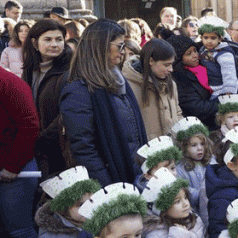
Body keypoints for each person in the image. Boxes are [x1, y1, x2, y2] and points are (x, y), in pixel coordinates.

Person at [61, 19, 148, 185]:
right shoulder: (78, 89)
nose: (123, 52)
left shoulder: (118, 78)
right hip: (111, 181)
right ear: (100, 46)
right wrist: (108, 186)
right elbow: (84, 147)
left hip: (132, 172)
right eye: (119, 46)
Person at [0, 61, 40, 238]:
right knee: (0, 229)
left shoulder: (8, 83)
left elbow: (29, 125)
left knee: (19, 229)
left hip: (16, 170)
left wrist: (13, 165)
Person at [21, 20, 73, 176]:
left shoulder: (70, 70)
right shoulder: (31, 69)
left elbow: (67, 112)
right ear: (35, 43)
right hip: (37, 149)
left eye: (59, 39)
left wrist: (40, 140)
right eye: (48, 39)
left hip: (61, 148)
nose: (55, 44)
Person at [123, 39, 182, 139]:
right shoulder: (129, 86)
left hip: (172, 148)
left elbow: (177, 112)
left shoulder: (171, 83)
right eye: (166, 65)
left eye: (171, 64)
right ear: (151, 61)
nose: (171, 69)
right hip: (148, 149)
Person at [169, 35, 219, 131]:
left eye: (195, 50)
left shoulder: (204, 68)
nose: (195, 55)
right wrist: (223, 100)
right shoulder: (180, 78)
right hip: (200, 129)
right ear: (178, 58)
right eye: (188, 53)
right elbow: (198, 109)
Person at [172, 117, 212, 225]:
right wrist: (202, 194)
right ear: (184, 147)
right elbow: (184, 189)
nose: (200, 148)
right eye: (194, 145)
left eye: (202, 144)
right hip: (195, 212)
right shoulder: (180, 168)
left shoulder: (211, 162)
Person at [198, 16, 238, 98]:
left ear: (219, 39)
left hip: (221, 90)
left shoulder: (224, 54)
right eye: (206, 38)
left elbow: (229, 74)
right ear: (201, 38)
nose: (209, 41)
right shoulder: (203, 50)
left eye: (213, 38)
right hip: (210, 88)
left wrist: (228, 91)